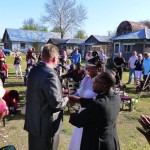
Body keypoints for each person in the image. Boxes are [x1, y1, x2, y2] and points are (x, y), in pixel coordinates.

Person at [24, 44, 69, 150]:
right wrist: (66, 99)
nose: (58, 61)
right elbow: (56, 104)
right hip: (46, 128)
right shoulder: (50, 74)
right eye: (57, 59)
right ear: (54, 58)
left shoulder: (34, 70)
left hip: (33, 123)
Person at [69, 72, 121, 150]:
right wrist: (79, 100)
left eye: (96, 81)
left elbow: (78, 121)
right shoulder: (116, 97)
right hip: (111, 142)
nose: (93, 83)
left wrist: (72, 110)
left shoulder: (98, 105)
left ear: (104, 85)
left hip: (97, 144)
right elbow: (97, 103)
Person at [68, 57, 100, 150]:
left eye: (90, 67)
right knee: (77, 138)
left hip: (91, 113)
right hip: (81, 111)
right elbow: (79, 92)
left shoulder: (100, 81)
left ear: (97, 68)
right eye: (87, 67)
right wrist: (70, 97)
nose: (87, 70)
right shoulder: (86, 78)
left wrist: (77, 99)